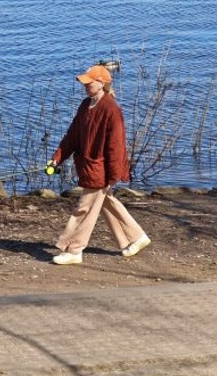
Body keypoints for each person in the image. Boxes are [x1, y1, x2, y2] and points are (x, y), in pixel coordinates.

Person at [46, 63, 151, 265]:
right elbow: (72, 136)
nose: (85, 85)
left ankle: (73, 249)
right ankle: (135, 238)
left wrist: (113, 176)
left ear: (102, 83)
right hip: (88, 167)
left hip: (101, 170)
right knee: (105, 203)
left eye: (89, 82)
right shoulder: (86, 105)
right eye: (84, 82)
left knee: (83, 209)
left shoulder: (111, 110)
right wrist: (57, 158)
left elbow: (116, 146)